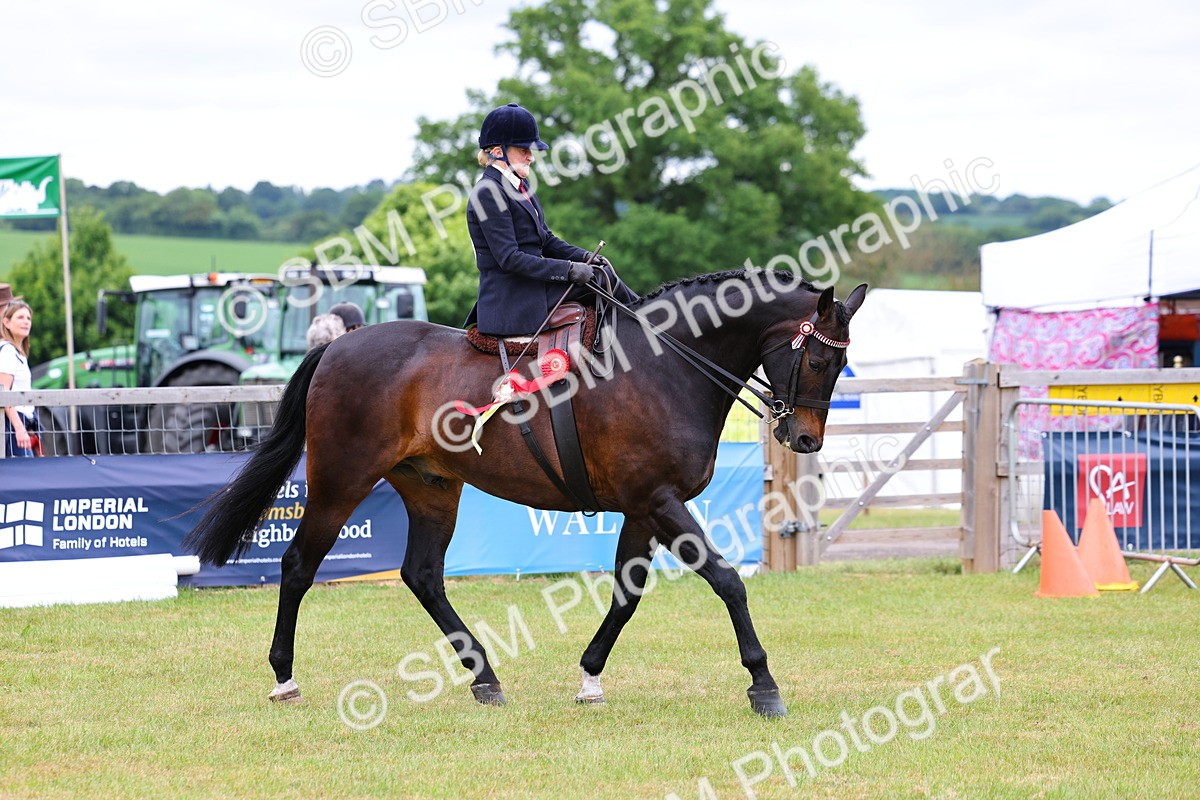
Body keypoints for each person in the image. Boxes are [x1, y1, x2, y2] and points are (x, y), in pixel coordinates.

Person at [464, 102, 637, 337]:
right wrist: (568, 270)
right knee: (601, 280)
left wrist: (584, 257)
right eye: (523, 150)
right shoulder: (487, 193)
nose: (531, 157)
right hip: (511, 298)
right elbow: (509, 258)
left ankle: (638, 324)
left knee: (603, 273)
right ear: (497, 151)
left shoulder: (520, 185)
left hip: (531, 286)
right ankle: (646, 322)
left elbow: (545, 239)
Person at [0, 299, 39, 458]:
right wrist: (19, 428)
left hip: (19, 424)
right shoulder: (8, 352)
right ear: (6, 322)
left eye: (28, 318)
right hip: (11, 426)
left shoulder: (18, 353)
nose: (26, 322)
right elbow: (3, 393)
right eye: (20, 317)